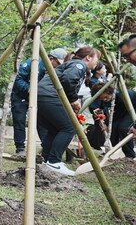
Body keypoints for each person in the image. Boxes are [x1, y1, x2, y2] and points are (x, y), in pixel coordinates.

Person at [37, 46, 100, 176]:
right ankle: (54, 162)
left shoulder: (73, 64)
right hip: (50, 96)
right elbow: (69, 79)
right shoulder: (79, 64)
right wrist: (73, 99)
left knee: (54, 130)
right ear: (88, 57)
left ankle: (46, 160)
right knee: (69, 127)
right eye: (97, 59)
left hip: (42, 95)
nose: (97, 63)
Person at [10, 48, 67, 155]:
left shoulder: (55, 71)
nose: (58, 66)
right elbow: (17, 79)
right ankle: (20, 148)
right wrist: (29, 88)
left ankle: (46, 146)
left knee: (42, 122)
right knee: (19, 120)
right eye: (58, 63)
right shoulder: (31, 63)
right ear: (51, 59)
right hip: (21, 96)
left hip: (39, 98)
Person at [87, 83, 135, 159]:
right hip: (123, 110)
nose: (105, 99)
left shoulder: (120, 96)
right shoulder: (108, 97)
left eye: (106, 97)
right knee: (113, 128)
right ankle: (112, 151)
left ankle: (130, 155)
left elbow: (118, 113)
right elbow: (104, 104)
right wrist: (100, 110)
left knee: (123, 128)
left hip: (132, 108)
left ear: (110, 92)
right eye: (103, 98)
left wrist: (108, 124)